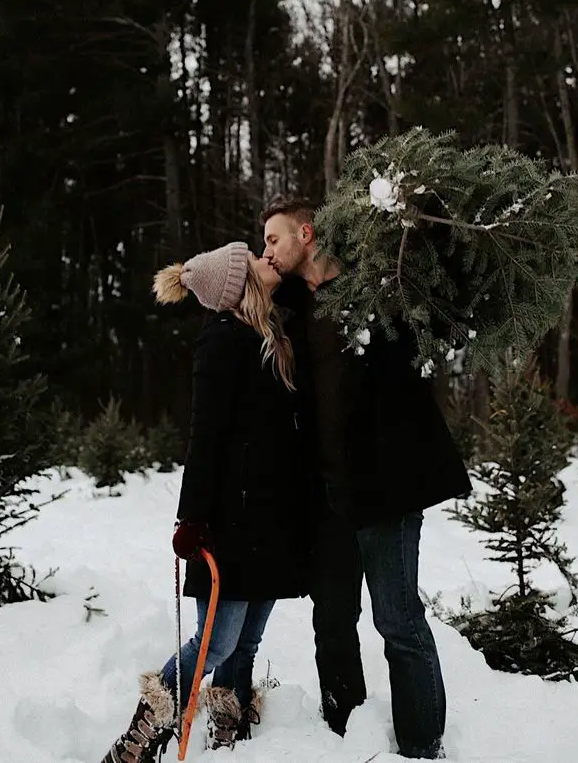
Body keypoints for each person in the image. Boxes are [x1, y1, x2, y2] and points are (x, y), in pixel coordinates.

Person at [262, 199, 472, 761]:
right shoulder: (291, 305)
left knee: (398, 622)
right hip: (329, 498)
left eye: (274, 240)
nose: (267, 252)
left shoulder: (378, 287)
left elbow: (446, 277)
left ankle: (422, 746)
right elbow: (234, 273)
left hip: (386, 491)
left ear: (306, 233)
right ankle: (344, 734)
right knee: (331, 621)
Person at [100, 241, 311, 763]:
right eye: (255, 261)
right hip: (231, 520)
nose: (268, 260)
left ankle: (228, 728)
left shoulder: (270, 335)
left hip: (269, 519)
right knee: (216, 644)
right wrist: (192, 517)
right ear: (238, 287)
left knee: (247, 644)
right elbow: (205, 434)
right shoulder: (221, 340)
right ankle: (143, 733)